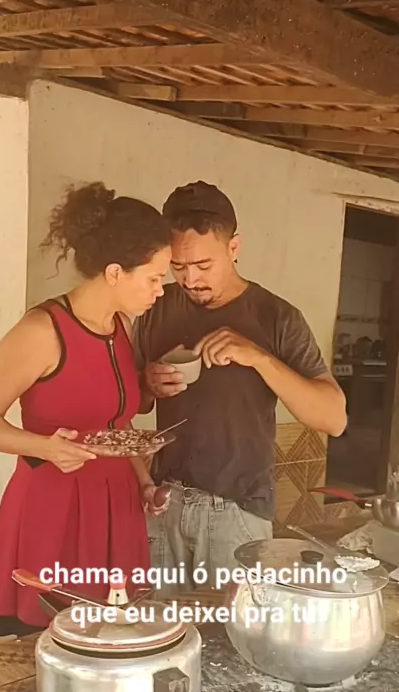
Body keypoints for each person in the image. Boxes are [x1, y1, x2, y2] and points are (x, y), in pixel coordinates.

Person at [0, 182, 172, 638]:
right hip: (56, 504)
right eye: (154, 277)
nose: (160, 290)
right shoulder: (41, 331)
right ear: (115, 273)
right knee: (55, 633)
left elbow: (117, 423)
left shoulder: (121, 328)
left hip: (117, 503)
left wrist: (143, 482)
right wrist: (46, 447)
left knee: (110, 631)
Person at [133, 181, 347, 589]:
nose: (190, 279)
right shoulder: (156, 307)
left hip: (238, 510)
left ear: (234, 248)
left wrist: (259, 357)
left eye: (203, 265)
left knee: (233, 625)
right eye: (178, 266)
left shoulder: (276, 317)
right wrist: (147, 384)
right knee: (163, 620)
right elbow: (133, 405)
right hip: (164, 502)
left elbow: (333, 418)